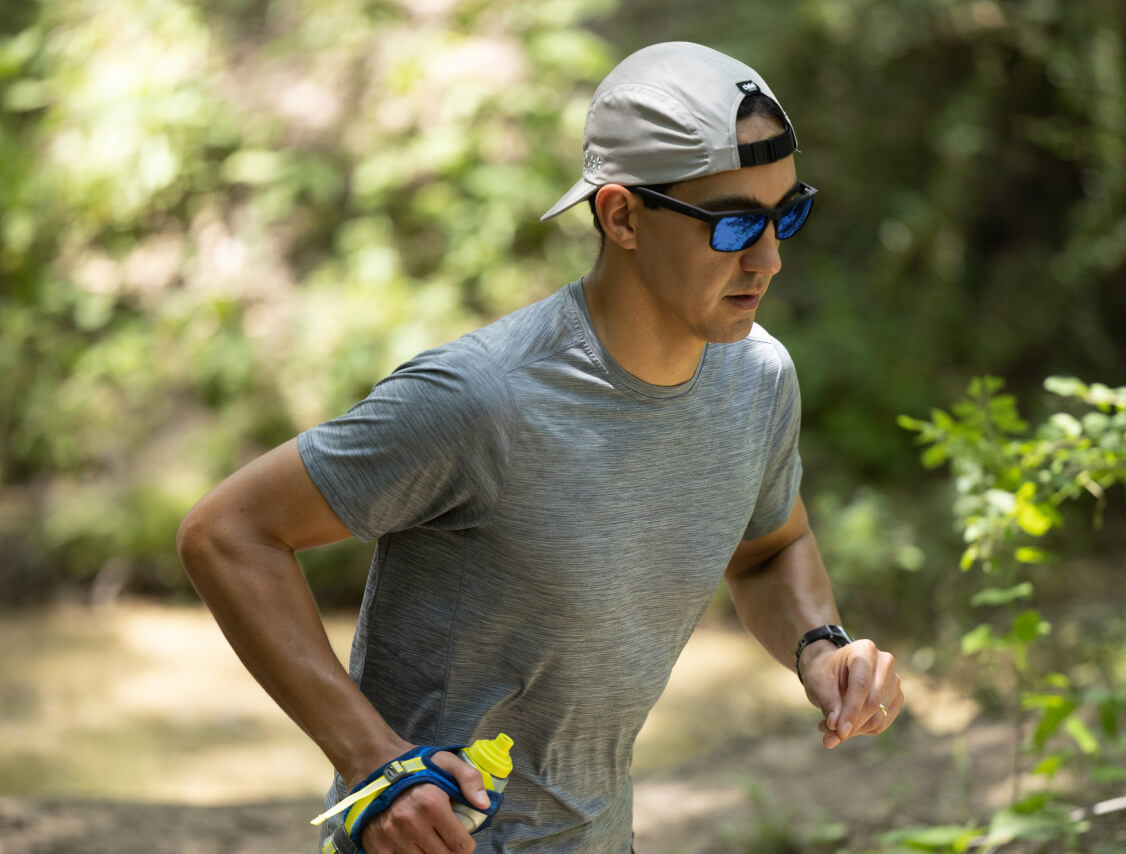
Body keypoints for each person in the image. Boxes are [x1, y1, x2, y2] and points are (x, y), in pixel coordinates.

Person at [177, 40, 903, 854]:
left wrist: (820, 648)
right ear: (622, 215)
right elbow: (228, 532)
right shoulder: (483, 398)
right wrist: (373, 765)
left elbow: (771, 548)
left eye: (785, 215)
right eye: (733, 223)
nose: (768, 258)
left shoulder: (758, 380)